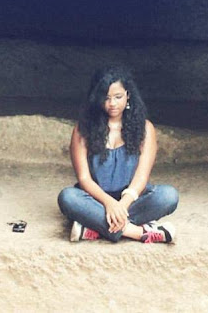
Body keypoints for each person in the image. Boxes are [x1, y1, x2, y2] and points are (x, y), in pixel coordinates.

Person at [57, 66, 179, 243]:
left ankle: (95, 228)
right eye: (106, 98)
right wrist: (109, 204)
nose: (112, 103)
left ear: (128, 95)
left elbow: (141, 177)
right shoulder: (83, 129)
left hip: (131, 201)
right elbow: (84, 179)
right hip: (96, 201)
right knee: (68, 197)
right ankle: (139, 232)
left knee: (168, 196)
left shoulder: (145, 128)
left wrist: (121, 205)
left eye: (118, 97)